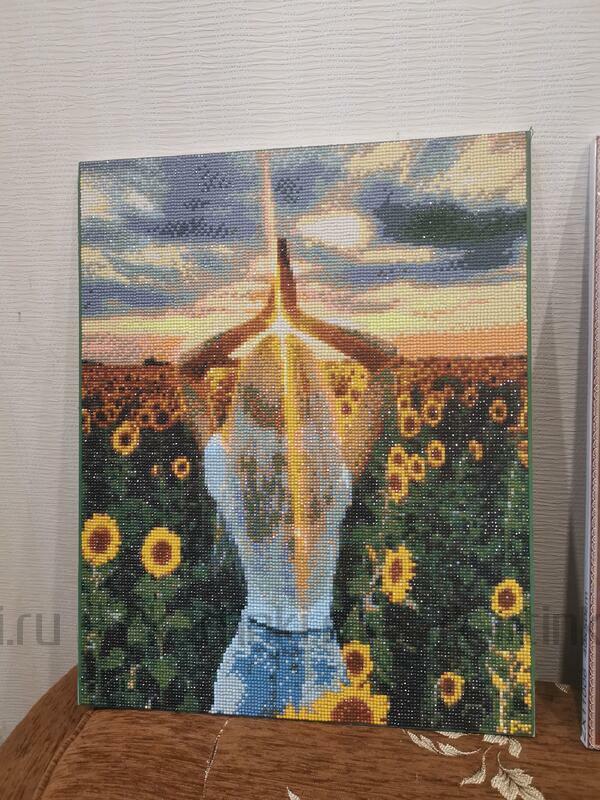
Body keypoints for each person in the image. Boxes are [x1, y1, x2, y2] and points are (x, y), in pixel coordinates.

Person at [179, 239, 395, 716]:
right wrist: (299, 320)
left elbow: (188, 370)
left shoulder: (231, 475)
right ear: (315, 399)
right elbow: (384, 362)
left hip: (247, 662)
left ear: (246, 400)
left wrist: (262, 321)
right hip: (318, 663)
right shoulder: (333, 477)